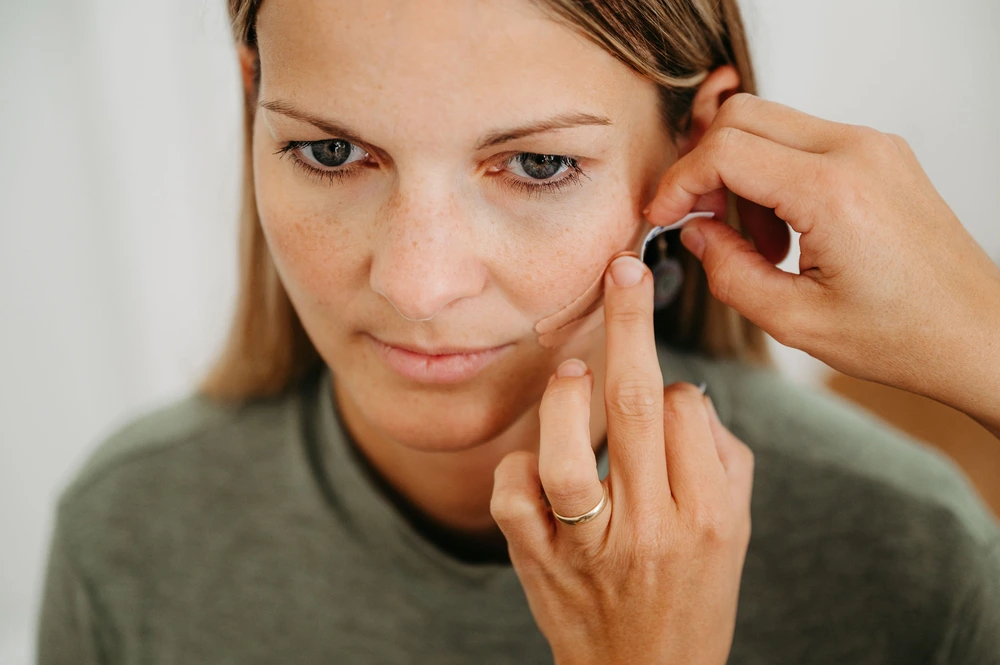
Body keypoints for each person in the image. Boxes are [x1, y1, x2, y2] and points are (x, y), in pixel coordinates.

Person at [36, 0, 1000, 663]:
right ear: (253, 97)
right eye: (330, 152)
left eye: (537, 164)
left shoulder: (911, 553)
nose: (418, 283)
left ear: (697, 144)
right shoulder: (127, 533)